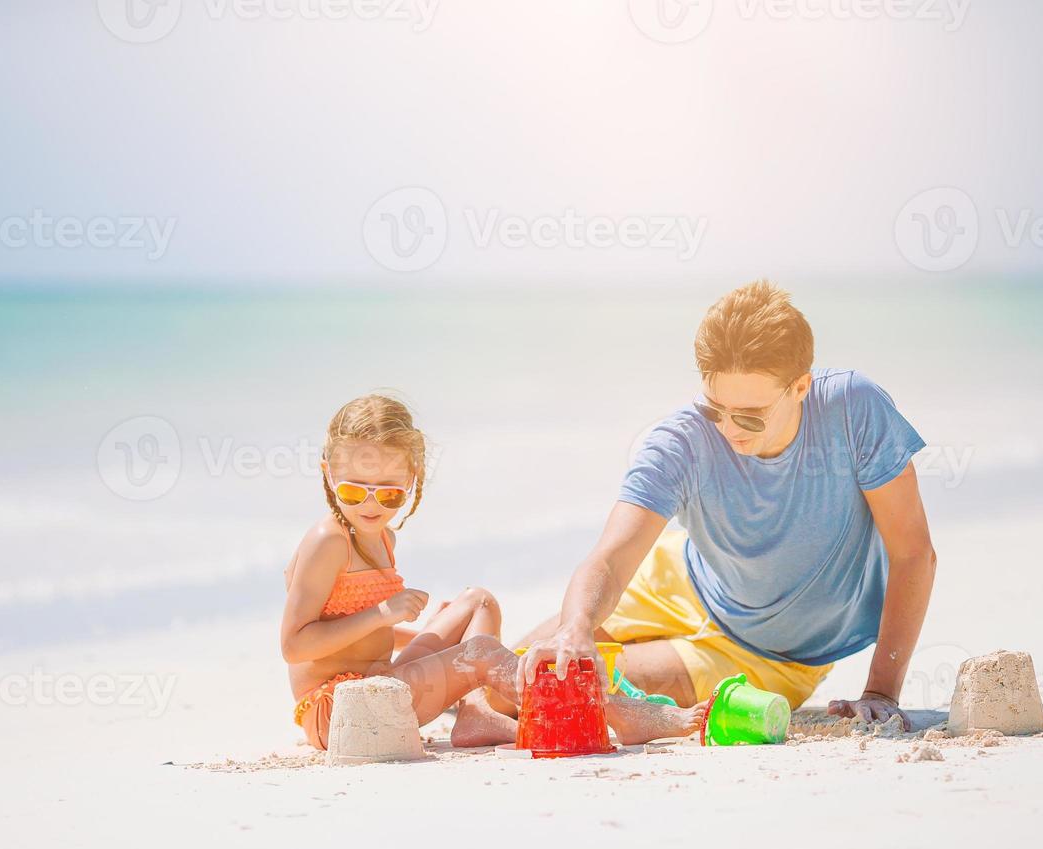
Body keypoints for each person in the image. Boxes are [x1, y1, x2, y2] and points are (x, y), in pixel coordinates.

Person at [495, 281, 936, 736]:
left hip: (766, 654)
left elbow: (913, 553)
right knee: (517, 679)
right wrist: (577, 626)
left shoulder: (854, 410)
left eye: (749, 415)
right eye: (714, 408)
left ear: (800, 387)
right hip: (679, 580)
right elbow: (611, 555)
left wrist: (881, 692)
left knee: (569, 688)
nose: (729, 429)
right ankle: (462, 659)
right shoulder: (680, 442)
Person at [281, 393, 712, 750]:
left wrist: (425, 639)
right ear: (328, 473)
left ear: (413, 477)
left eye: (390, 495)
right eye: (354, 490)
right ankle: (615, 712)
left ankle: (476, 714)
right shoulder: (328, 541)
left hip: (377, 683)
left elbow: (349, 633)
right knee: (482, 653)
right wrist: (384, 615)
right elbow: (296, 645)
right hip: (342, 710)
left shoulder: (379, 536)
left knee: (477, 602)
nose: (371, 505)